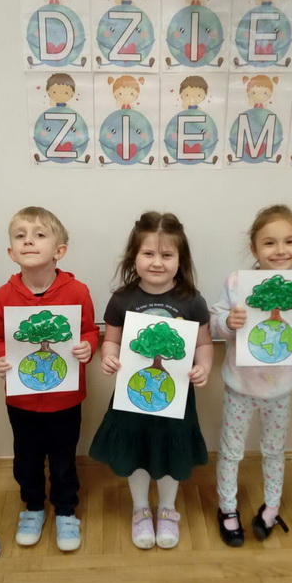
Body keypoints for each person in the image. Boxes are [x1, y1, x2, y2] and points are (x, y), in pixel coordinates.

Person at [89, 211, 213, 549]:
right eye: (148, 253)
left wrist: (203, 367)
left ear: (180, 260)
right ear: (134, 257)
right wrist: (108, 357)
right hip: (133, 396)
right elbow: (111, 340)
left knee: (171, 452)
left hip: (176, 398)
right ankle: (141, 509)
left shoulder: (192, 301)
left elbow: (204, 344)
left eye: (167, 254)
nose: (157, 262)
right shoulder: (122, 299)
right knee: (137, 451)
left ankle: (168, 509)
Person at [210, 205, 292, 546]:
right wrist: (227, 322)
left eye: (289, 241)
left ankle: (271, 506)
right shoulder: (237, 283)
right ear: (254, 247)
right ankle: (227, 508)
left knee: (274, 450)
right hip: (239, 386)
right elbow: (215, 324)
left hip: (280, 390)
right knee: (231, 451)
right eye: (269, 242)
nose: (280, 250)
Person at [0, 207, 99, 551]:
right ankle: (33, 507)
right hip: (21, 400)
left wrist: (88, 347)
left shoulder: (77, 292)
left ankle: (65, 510)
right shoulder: (3, 296)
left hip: (65, 399)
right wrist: (0, 357)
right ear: (11, 252)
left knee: (64, 459)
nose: (29, 241)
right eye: (21, 236)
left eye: (39, 235)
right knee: (27, 458)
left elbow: (89, 331)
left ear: (59, 250)